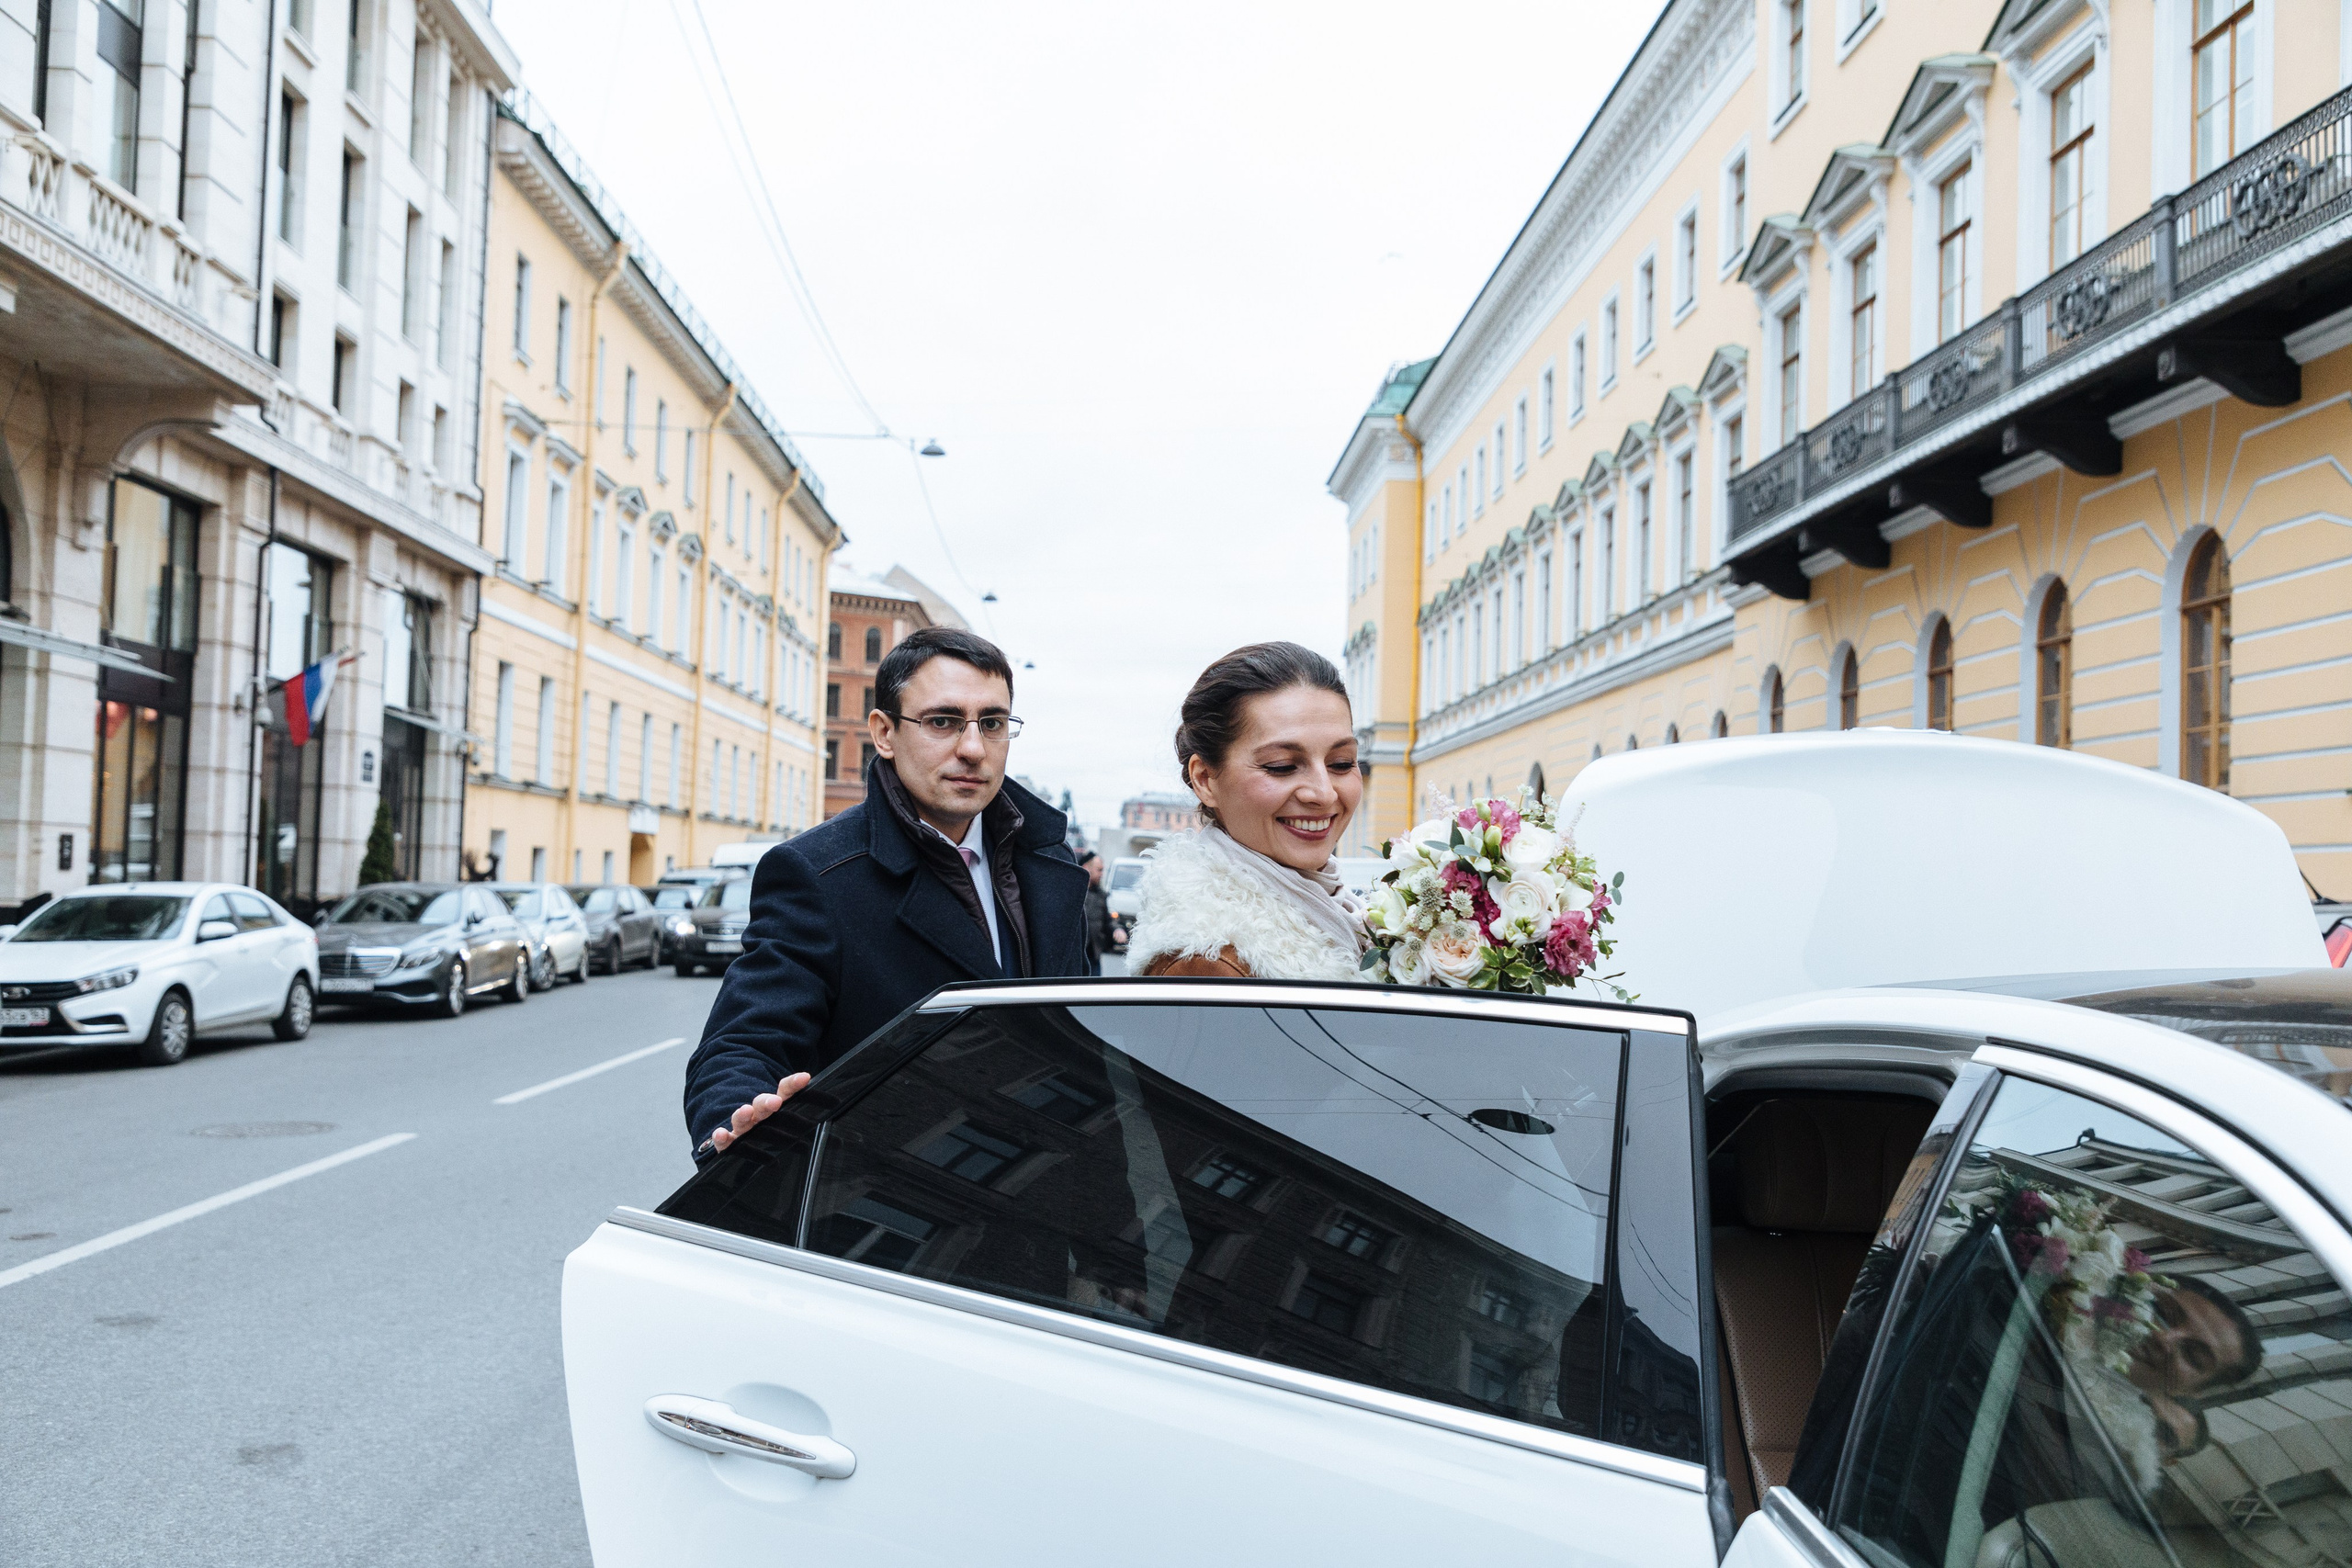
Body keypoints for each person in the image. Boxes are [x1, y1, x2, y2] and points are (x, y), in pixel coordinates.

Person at [682, 626, 1090, 1159]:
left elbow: (1084, 1037)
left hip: (1049, 1175)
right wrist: (739, 1119)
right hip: (895, 1191)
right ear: (884, 733)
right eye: (943, 721)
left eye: (992, 724)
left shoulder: (1050, 861)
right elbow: (743, 1044)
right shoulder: (817, 874)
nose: (972, 748)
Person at [1125, 641, 1367, 980]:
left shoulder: (1345, 911)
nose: (1324, 793)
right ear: (1206, 779)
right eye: (1281, 766)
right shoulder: (1207, 962)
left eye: (1341, 763)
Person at [1080, 852, 1110, 975]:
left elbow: (1107, 921)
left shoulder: (1101, 895)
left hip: (1094, 955)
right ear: (1087, 867)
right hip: (1077, 955)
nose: (1102, 874)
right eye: (1099, 870)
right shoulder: (1074, 892)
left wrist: (1117, 930)